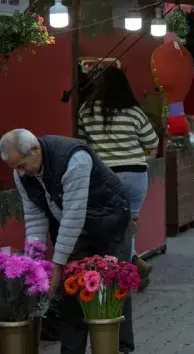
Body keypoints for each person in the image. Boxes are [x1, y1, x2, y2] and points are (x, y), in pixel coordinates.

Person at [0, 129, 134, 354]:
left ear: (35, 149)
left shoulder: (74, 158)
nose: (21, 173)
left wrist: (58, 266)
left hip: (108, 219)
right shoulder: (22, 173)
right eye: (15, 168)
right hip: (72, 223)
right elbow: (35, 218)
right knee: (71, 290)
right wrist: (34, 265)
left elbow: (74, 216)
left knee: (113, 284)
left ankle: (120, 348)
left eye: (22, 165)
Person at [77, 66, 159, 290]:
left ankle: (123, 268)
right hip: (135, 175)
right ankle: (131, 265)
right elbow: (152, 143)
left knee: (109, 224)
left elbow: (82, 145)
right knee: (128, 222)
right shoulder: (133, 111)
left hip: (104, 176)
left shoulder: (87, 111)